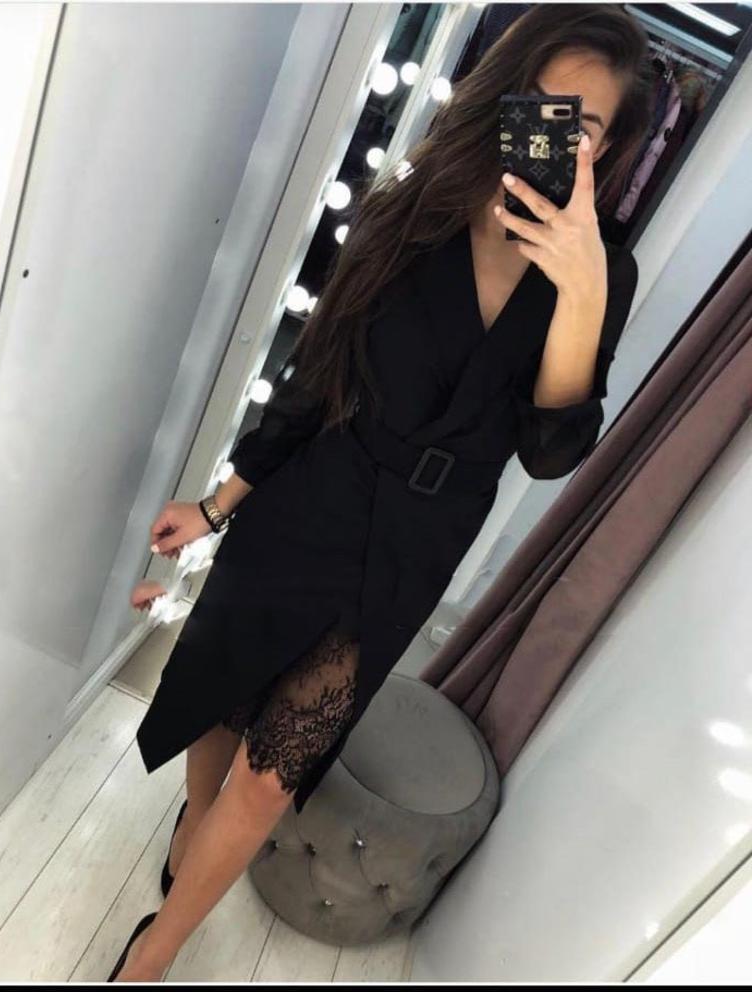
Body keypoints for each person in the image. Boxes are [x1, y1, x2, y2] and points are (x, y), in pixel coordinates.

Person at [110, 4, 650, 981]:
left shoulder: (602, 269)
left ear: (608, 148)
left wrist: (578, 292)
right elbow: (314, 379)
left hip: (415, 540)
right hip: (312, 493)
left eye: (583, 125)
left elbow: (550, 452)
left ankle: (155, 948)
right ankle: (192, 823)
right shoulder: (415, 209)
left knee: (274, 776)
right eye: (540, 103)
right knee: (221, 699)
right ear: (504, 95)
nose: (553, 133)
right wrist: (219, 503)